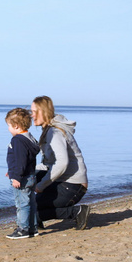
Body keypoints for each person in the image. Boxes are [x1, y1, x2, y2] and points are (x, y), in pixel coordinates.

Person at [31, 96, 90, 230]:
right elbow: (48, 165)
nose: (31, 115)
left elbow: (62, 163)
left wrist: (41, 185)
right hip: (63, 181)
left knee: (31, 213)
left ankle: (77, 212)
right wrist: (25, 171)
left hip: (74, 185)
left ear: (44, 111)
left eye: (34, 111)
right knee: (29, 177)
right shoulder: (49, 130)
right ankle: (36, 216)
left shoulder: (54, 132)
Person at [4, 108, 40, 239]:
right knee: (30, 202)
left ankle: (23, 229)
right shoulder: (29, 138)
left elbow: (21, 160)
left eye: (9, 125)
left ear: (16, 126)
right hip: (30, 175)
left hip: (22, 178)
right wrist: (11, 171)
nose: (8, 128)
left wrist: (16, 176)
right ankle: (32, 228)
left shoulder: (18, 140)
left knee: (22, 204)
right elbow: (24, 160)